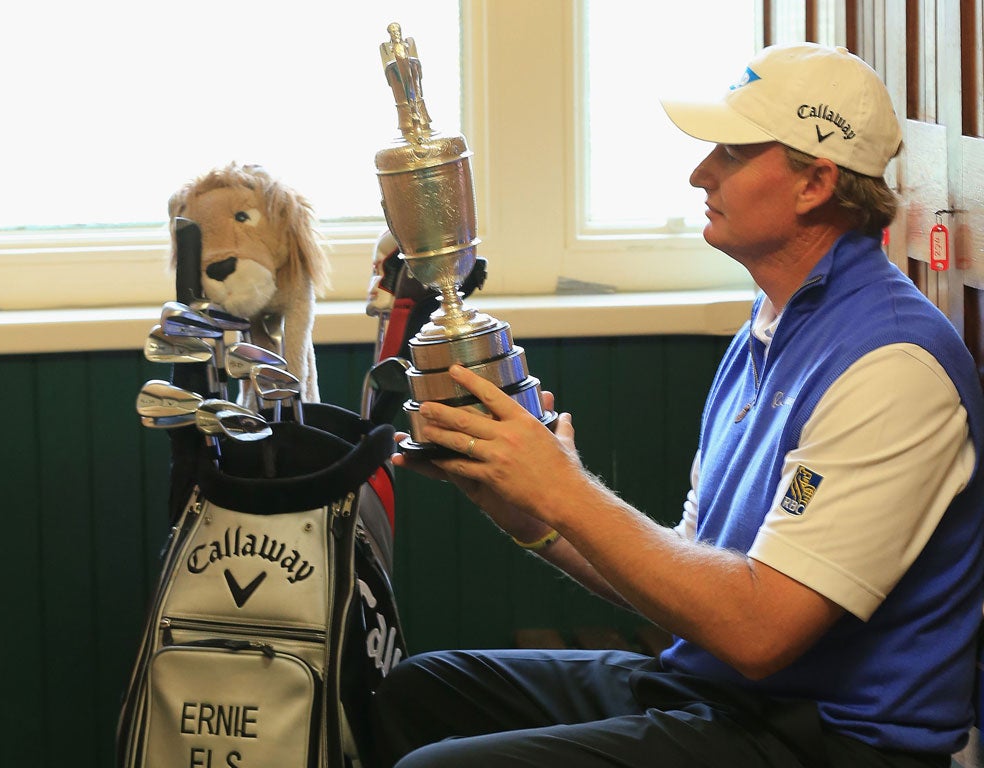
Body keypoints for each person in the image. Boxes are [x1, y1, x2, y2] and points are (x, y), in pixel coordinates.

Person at [371, 42, 984, 768]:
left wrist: (564, 491)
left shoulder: (892, 364)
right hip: (716, 694)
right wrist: (532, 516)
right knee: (423, 691)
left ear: (815, 182)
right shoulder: (772, 325)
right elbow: (689, 574)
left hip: (823, 739)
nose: (702, 173)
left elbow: (759, 633)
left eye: (731, 152)